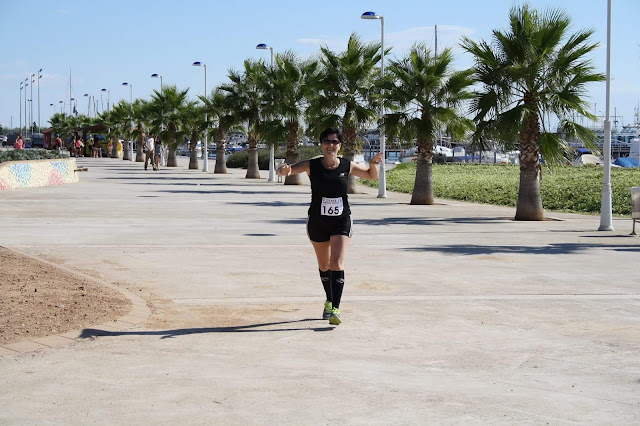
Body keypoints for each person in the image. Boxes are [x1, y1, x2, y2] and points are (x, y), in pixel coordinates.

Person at [276, 128, 383, 325]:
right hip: (317, 221)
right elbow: (287, 170)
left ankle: (335, 308)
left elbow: (371, 176)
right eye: (327, 141)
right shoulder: (312, 165)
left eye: (334, 142)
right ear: (321, 144)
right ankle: (328, 299)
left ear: (339, 145)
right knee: (324, 265)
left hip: (341, 220)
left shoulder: (346, 165)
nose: (330, 145)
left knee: (337, 263)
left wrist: (373, 164)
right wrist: (283, 170)